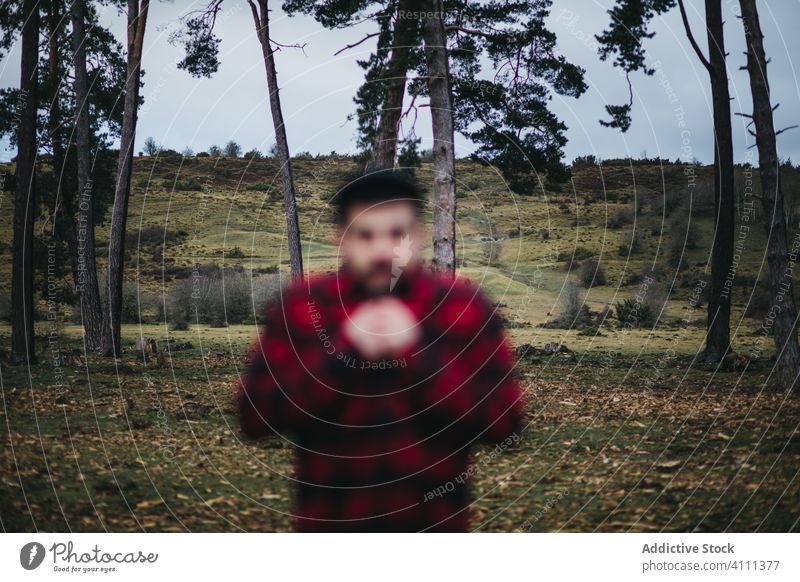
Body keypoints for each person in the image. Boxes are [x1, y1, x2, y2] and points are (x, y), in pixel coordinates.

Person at [237, 171, 524, 532]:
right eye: (366, 235)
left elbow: (505, 424)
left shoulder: (462, 307)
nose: (382, 251)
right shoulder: (304, 306)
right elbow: (255, 417)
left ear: (417, 236)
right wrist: (345, 352)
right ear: (341, 238)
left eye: (397, 234)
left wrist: (418, 353)